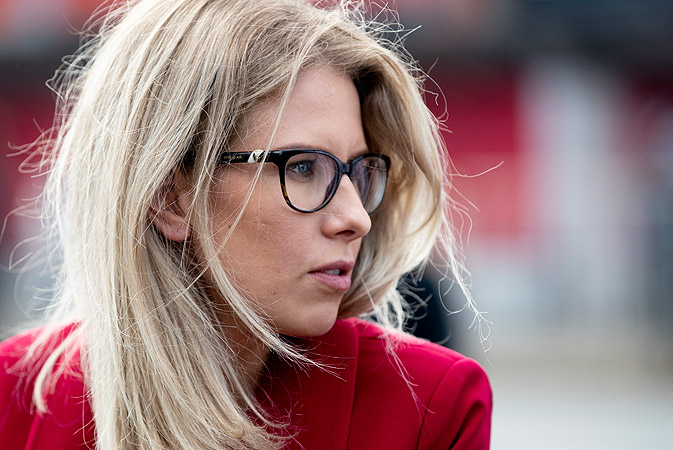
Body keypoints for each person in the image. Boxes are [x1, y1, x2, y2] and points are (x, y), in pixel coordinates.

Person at [0, 0, 492, 448]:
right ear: (171, 199)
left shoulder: (431, 406)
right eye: (303, 168)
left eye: (358, 171)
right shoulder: (10, 404)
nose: (357, 218)